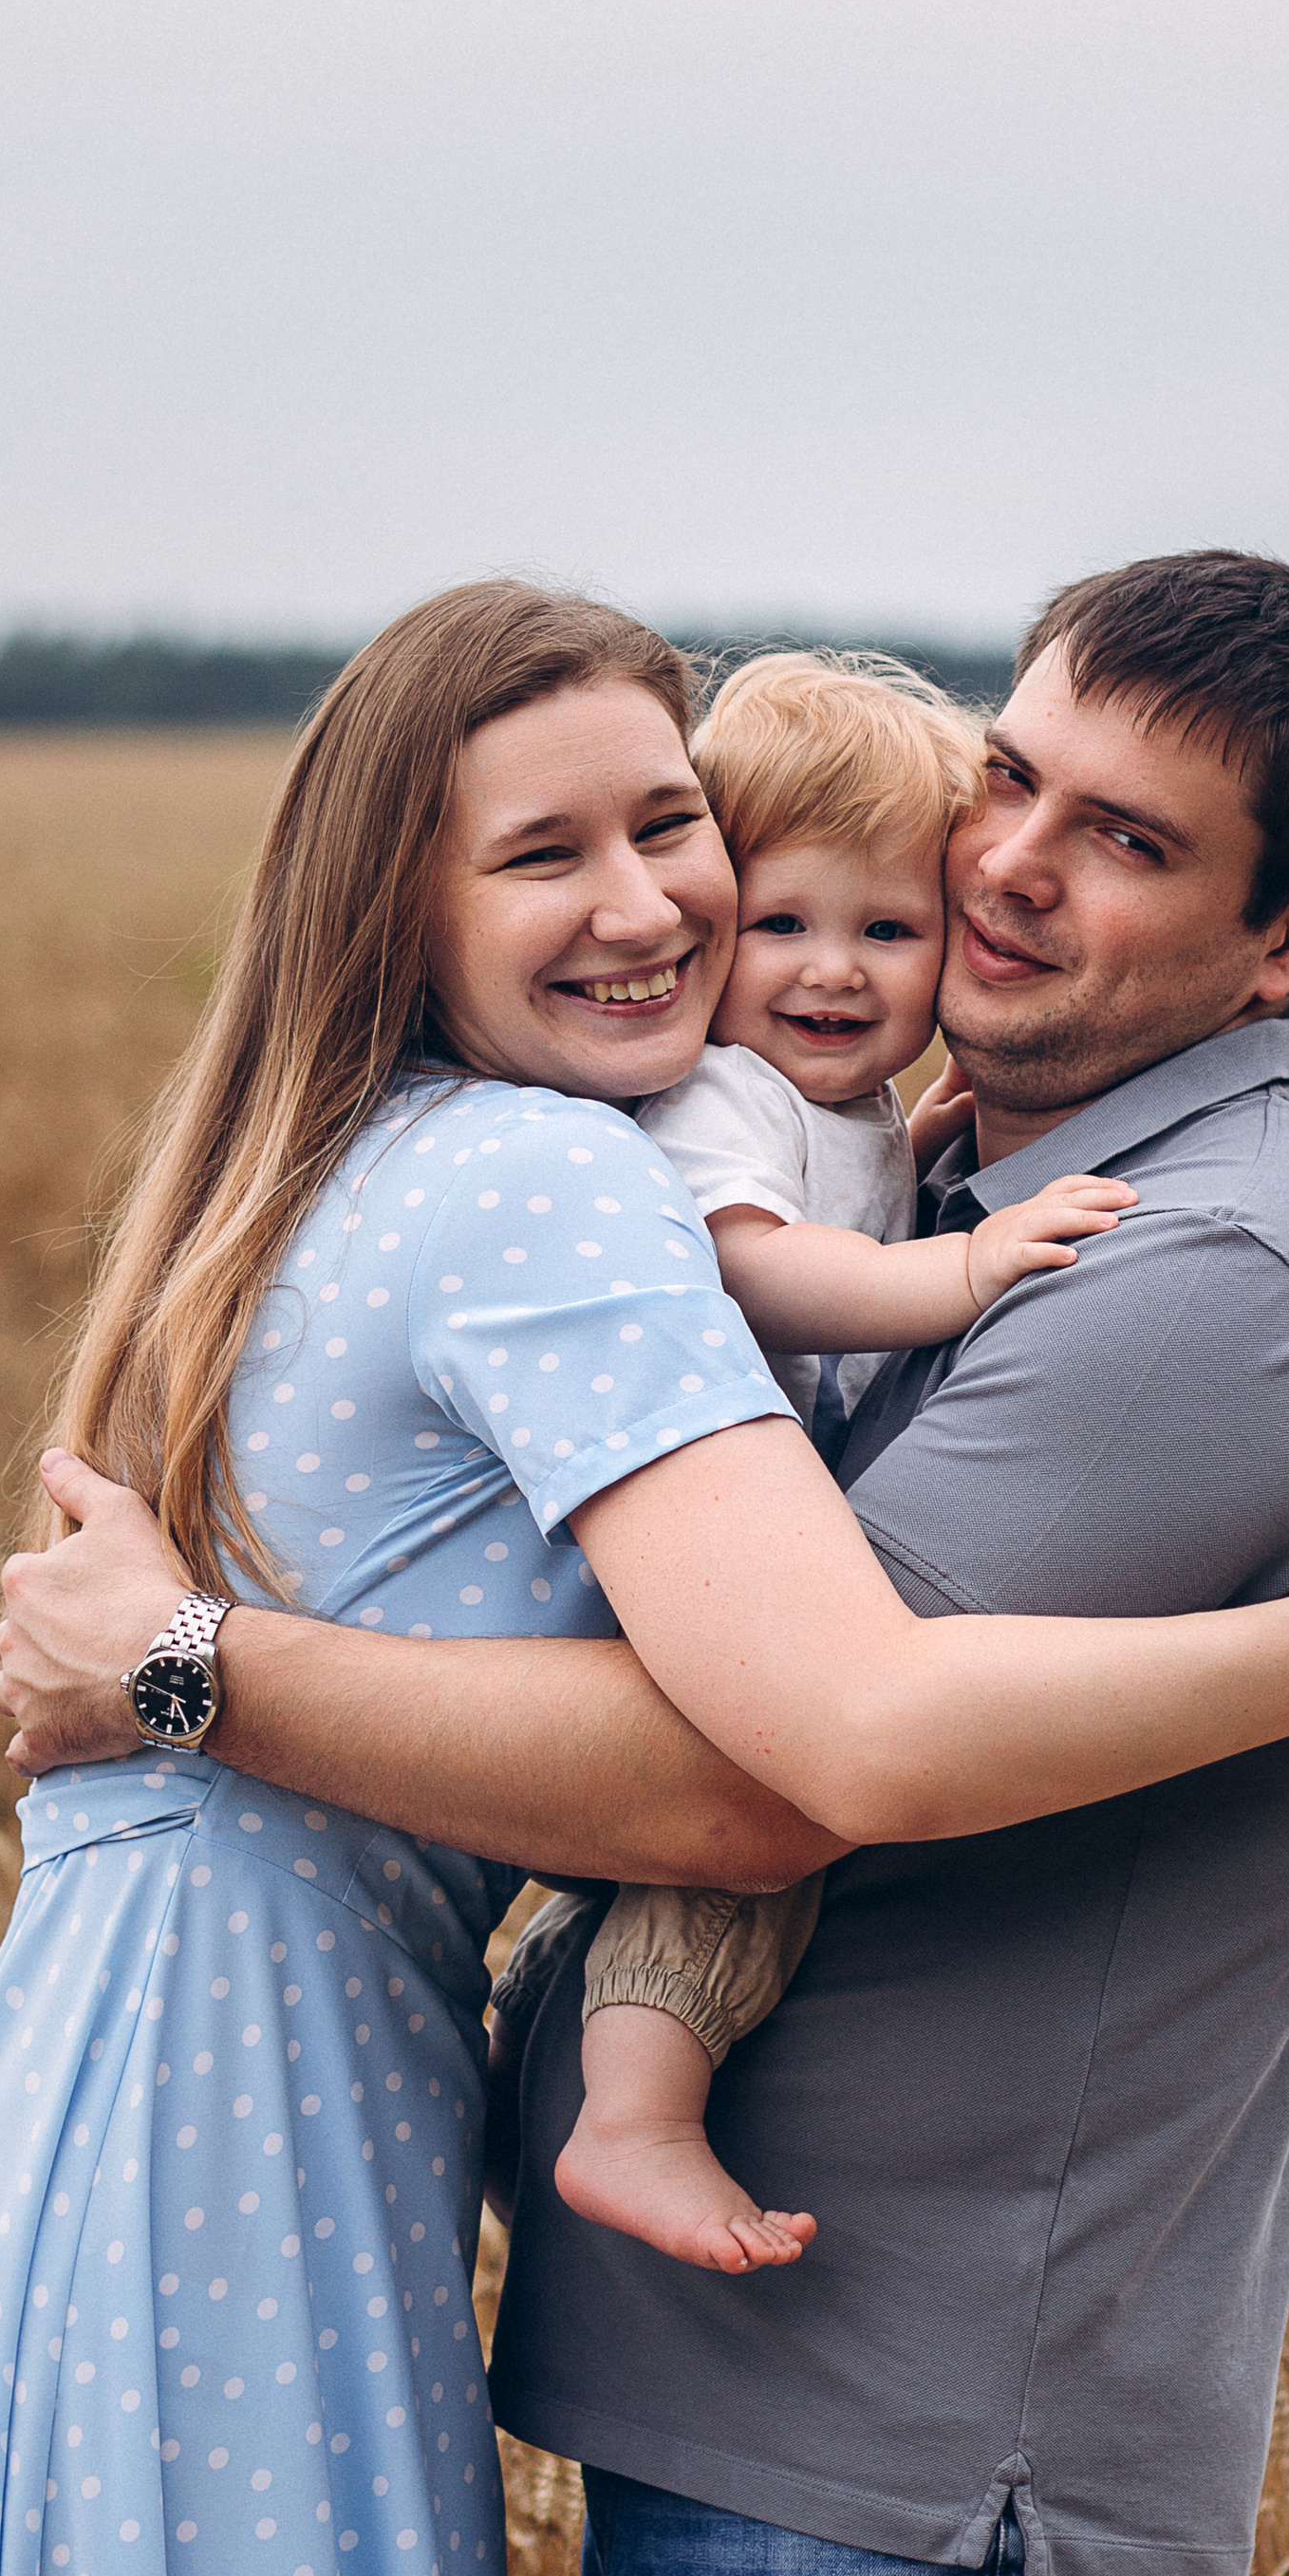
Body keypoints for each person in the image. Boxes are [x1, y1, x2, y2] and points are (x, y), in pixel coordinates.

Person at [0, 565, 1289, 2576]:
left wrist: (187, 1669)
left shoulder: (1213, 1278)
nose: (1006, 864)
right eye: (1009, 775)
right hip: (756, 2422)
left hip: (922, 2479)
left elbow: (769, 1763)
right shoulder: (881, 1189)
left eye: (1123, 839)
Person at [529, 646, 1138, 2277]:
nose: (833, 972)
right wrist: (960, 1265)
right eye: (782, 925)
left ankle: (575, 2033)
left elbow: (840, 1187)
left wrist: (927, 1149)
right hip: (671, 1531)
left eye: (889, 930)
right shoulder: (722, 1096)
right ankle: (633, 2114)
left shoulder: (856, 1108)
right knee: (755, 1827)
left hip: (727, 1509)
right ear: (713, 925)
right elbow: (756, 1260)